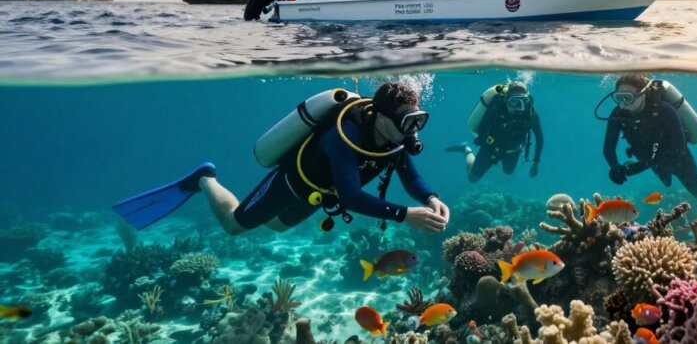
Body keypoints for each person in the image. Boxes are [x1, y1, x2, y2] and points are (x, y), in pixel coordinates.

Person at [112, 83, 450, 235]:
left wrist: (430, 198)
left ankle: (216, 185)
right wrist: (405, 215)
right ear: (380, 115)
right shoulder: (343, 137)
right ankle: (205, 178)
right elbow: (350, 196)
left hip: (320, 195)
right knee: (234, 226)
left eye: (418, 121)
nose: (413, 131)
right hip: (293, 182)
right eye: (407, 122)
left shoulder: (395, 139)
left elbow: (411, 177)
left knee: (275, 227)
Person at [601, 75, 697, 198]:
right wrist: (614, 166)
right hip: (650, 159)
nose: (623, 104)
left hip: (677, 159)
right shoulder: (617, 114)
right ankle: (665, 174)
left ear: (643, 94)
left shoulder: (664, 110)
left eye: (628, 97)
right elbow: (608, 148)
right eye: (619, 98)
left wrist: (645, 165)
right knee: (667, 183)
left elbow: (679, 149)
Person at [454, 82, 544, 182]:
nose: (520, 107)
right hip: (489, 149)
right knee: (472, 179)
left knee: (508, 172)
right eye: (515, 102)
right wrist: (489, 144)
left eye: (524, 101)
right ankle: (467, 150)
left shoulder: (531, 115)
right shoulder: (496, 107)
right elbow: (481, 129)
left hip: (512, 151)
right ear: (506, 100)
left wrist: (536, 162)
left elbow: (539, 138)